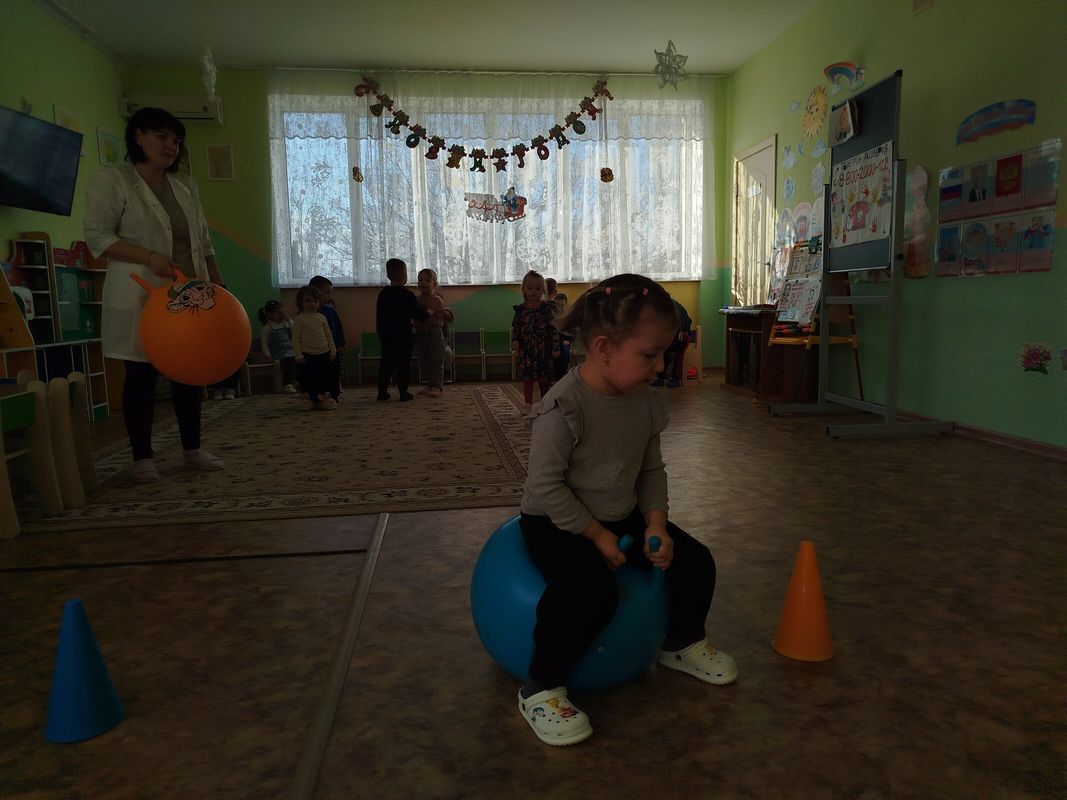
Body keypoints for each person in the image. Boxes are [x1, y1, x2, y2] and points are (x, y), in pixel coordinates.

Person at [517, 274, 736, 747]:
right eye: (649, 354)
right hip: (556, 521)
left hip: (621, 513)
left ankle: (680, 642)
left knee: (695, 561)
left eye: (663, 353)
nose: (660, 366)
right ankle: (541, 686)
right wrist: (596, 536)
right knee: (589, 590)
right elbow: (545, 488)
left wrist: (656, 523)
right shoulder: (563, 408)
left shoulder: (644, 403)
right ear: (604, 348)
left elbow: (651, 470)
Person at [84, 106, 225, 483]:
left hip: (188, 294)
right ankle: (142, 457)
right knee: (141, 374)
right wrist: (148, 257)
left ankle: (192, 449)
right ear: (138, 137)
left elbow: (203, 240)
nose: (171, 146)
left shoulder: (185, 186)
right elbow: (98, 237)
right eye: (162, 137)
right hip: (140, 293)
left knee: (188, 372)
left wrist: (217, 281)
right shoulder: (113, 180)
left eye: (176, 140)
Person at [376, 258, 428, 402]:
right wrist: (427, 313)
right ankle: (403, 392)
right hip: (404, 336)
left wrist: (381, 333)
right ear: (405, 276)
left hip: (386, 335)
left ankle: (382, 392)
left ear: (388, 275)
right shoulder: (408, 295)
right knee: (403, 364)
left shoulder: (383, 294)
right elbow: (418, 314)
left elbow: (379, 316)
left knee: (386, 363)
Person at [511, 270, 557, 407]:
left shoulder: (547, 309)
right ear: (524, 289)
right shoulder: (520, 310)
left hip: (543, 349)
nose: (533, 291)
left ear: (543, 290)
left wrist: (556, 347)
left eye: (537, 289)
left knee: (543, 377)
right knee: (527, 377)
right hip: (526, 350)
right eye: (530, 288)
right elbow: (516, 328)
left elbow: (553, 329)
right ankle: (528, 403)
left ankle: (544, 402)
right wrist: (515, 340)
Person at [291, 285, 337, 410]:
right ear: (300, 302)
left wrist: (332, 349)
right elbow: (295, 338)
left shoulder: (322, 317)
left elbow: (328, 334)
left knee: (323, 377)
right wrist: (298, 354)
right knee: (308, 378)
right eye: (308, 301)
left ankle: (324, 399)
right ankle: (309, 399)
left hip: (323, 352)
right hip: (307, 355)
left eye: (315, 301)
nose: (312, 304)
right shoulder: (300, 319)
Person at [413, 268, 454, 397]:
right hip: (420, 333)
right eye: (420, 280)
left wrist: (444, 314)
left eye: (427, 280)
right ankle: (430, 384)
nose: (423, 282)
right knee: (425, 360)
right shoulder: (416, 300)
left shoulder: (437, 300)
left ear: (434, 284)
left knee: (436, 360)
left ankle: (437, 386)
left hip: (435, 334)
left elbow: (448, 314)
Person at [308, 276, 345, 402]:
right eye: (327, 293)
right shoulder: (307, 315)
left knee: (334, 372)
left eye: (330, 293)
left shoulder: (330, 311)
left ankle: (333, 396)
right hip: (316, 350)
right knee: (318, 374)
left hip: (333, 348)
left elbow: (338, 327)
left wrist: (341, 343)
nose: (329, 296)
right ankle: (317, 396)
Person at [258, 299, 297, 393]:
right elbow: (264, 343)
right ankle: (288, 384)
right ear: (269, 315)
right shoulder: (268, 327)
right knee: (289, 361)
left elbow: (295, 331)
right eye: (279, 313)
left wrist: (289, 320)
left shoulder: (286, 324)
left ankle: (299, 381)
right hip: (279, 353)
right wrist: (268, 355)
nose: (282, 315)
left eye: (283, 312)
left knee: (300, 359)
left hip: (291, 350)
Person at [652, 299, 692, 388]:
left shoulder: (672, 306)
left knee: (677, 352)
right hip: (669, 334)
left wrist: (683, 329)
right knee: (663, 351)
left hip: (681, 334)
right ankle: (660, 377)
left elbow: (684, 320)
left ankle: (675, 378)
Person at [551, 292, 574, 382]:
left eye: (562, 304)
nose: (560, 307)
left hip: (565, 341)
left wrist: (569, 340)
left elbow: (573, 331)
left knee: (565, 352)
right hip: (554, 341)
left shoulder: (569, 316)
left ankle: (561, 375)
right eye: (558, 305)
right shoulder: (552, 316)